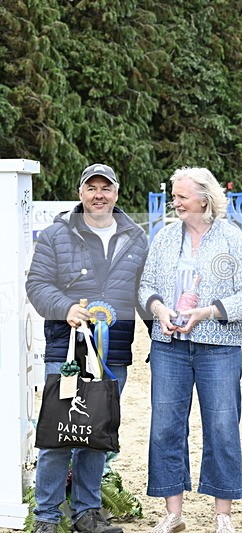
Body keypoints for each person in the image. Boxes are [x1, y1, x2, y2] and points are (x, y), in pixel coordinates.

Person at [26, 163, 149, 533]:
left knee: (97, 434)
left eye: (105, 188)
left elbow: (144, 293)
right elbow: (37, 284)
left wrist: (161, 330)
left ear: (116, 192)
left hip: (113, 352)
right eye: (91, 187)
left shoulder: (137, 238)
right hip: (66, 350)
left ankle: (87, 513)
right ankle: (47, 516)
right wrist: (65, 309)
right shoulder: (55, 234)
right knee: (58, 433)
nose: (99, 195)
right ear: (80, 192)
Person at [139, 167, 242, 533]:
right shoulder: (163, 237)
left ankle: (222, 513)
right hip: (169, 347)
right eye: (174, 196)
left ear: (203, 200)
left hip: (219, 348)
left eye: (181, 197)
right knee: (165, 428)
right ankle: (173, 513)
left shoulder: (233, 239)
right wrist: (159, 309)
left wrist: (208, 312)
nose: (174, 202)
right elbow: (146, 285)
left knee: (222, 427)